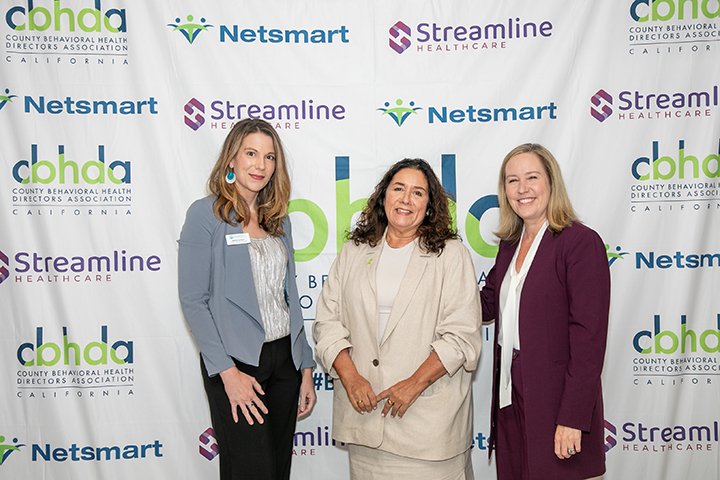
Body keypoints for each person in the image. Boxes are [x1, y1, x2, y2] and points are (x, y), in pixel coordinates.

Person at [313, 158, 482, 480]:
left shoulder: (451, 254)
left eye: (418, 193)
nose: (406, 199)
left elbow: (461, 336)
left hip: (427, 427)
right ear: (383, 197)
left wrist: (413, 384)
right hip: (365, 420)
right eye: (399, 189)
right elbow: (327, 322)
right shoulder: (354, 251)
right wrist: (351, 378)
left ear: (430, 207)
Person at [178, 118, 316, 480]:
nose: (260, 165)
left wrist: (305, 366)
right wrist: (227, 373)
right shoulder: (205, 215)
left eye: (269, 157)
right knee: (250, 472)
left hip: (285, 360)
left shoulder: (277, 221)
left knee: (276, 472)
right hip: (237, 365)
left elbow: (288, 296)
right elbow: (194, 301)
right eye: (251, 154)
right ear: (231, 160)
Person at [480, 143, 610, 480]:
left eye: (531, 177)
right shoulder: (509, 245)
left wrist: (573, 417)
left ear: (551, 183)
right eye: (512, 180)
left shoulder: (580, 243)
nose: (522, 189)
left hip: (556, 399)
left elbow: (588, 341)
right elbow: (485, 305)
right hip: (509, 393)